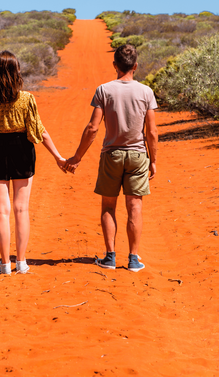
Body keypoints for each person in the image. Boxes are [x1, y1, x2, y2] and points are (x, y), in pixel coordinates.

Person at [0, 50, 66, 275]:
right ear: (16, 72)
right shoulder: (27, 98)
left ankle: (5, 264)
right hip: (21, 150)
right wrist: (58, 157)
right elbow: (39, 131)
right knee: (21, 209)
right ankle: (21, 263)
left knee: (2, 211)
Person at [65, 44, 158, 272]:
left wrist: (77, 157)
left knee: (108, 204)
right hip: (138, 155)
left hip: (111, 154)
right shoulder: (146, 92)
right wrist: (153, 160)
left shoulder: (104, 91)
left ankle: (110, 257)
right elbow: (152, 132)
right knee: (134, 206)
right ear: (135, 66)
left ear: (115, 65)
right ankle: (134, 259)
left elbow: (92, 128)